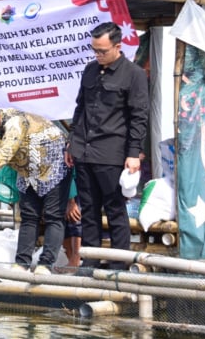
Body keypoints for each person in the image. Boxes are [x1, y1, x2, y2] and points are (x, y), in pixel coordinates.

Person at [65, 21, 149, 272]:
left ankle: (118, 265)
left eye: (102, 51)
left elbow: (139, 116)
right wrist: (72, 144)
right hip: (84, 151)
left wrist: (134, 153)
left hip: (112, 153)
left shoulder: (133, 74)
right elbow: (80, 109)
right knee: (88, 210)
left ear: (117, 46)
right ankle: (89, 262)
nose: (98, 55)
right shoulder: (90, 70)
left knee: (115, 211)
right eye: (95, 50)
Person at [0, 101, 71, 275]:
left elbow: (5, 153)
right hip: (27, 170)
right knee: (28, 216)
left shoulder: (15, 122)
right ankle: (22, 263)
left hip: (53, 162)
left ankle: (46, 264)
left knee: (53, 215)